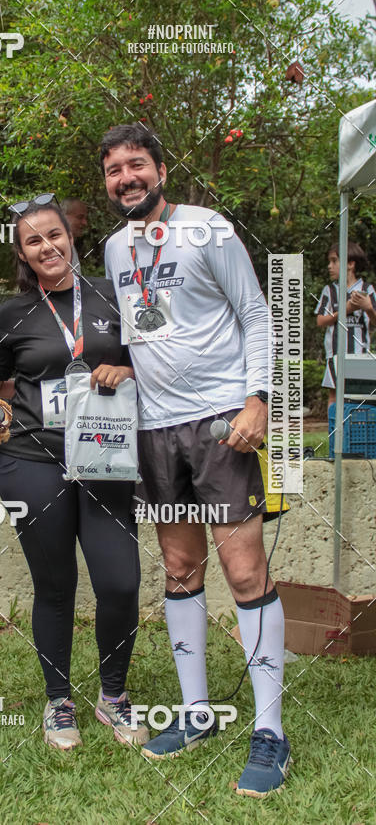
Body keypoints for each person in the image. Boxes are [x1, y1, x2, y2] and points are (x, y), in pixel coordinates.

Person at [101, 123, 289, 798]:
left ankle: (269, 731)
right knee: (180, 568)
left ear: (160, 170)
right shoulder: (114, 248)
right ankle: (197, 713)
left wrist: (258, 399)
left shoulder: (208, 228)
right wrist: (120, 368)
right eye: (116, 170)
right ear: (107, 183)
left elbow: (255, 314)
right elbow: (143, 327)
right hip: (154, 430)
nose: (128, 178)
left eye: (137, 165)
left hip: (221, 426)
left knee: (244, 570)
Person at [0, 195, 149, 751]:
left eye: (53, 234)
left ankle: (114, 696)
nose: (46, 247)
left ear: (71, 236)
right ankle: (58, 702)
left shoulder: (114, 292)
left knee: (120, 582)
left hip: (106, 453)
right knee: (55, 588)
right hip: (33, 462)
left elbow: (156, 356)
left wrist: (125, 368)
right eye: (33, 241)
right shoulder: (10, 314)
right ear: (23, 255)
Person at [315, 241, 376, 406]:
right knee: (334, 396)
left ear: (350, 264)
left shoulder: (367, 290)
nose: (330, 266)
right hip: (335, 355)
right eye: (329, 261)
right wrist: (345, 309)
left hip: (360, 355)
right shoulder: (330, 291)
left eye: (334, 261)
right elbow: (320, 320)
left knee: (360, 397)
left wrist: (368, 308)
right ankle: (334, 431)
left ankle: (357, 431)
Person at [60, 198, 88, 273]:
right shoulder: (56, 246)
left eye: (85, 218)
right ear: (63, 216)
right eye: (80, 217)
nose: (85, 223)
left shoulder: (69, 244)